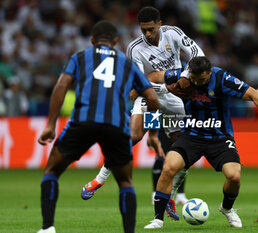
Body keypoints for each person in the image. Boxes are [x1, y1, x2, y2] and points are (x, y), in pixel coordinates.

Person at [81, 6, 205, 220]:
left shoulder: (173, 33)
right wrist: (168, 82)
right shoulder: (135, 48)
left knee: (183, 149)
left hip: (174, 98)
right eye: (143, 30)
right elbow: (140, 84)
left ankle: (170, 195)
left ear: (159, 24)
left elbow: (198, 53)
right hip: (150, 95)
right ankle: (99, 180)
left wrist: (180, 75)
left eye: (150, 29)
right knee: (135, 135)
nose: (147, 34)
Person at [36, 20, 160, 233]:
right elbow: (152, 98)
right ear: (115, 41)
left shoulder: (80, 57)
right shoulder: (126, 63)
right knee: (125, 182)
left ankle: (48, 228)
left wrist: (50, 124)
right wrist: (154, 133)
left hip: (82, 122)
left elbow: (62, 85)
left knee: (52, 171)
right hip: (116, 126)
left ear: (92, 41)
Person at [144, 56, 258, 229]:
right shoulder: (182, 76)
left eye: (201, 80)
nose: (196, 83)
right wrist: (145, 85)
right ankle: (158, 219)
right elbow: (153, 76)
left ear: (209, 73)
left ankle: (227, 209)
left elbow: (253, 93)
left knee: (234, 176)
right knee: (168, 168)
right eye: (193, 79)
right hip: (191, 134)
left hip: (219, 137)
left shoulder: (222, 78)